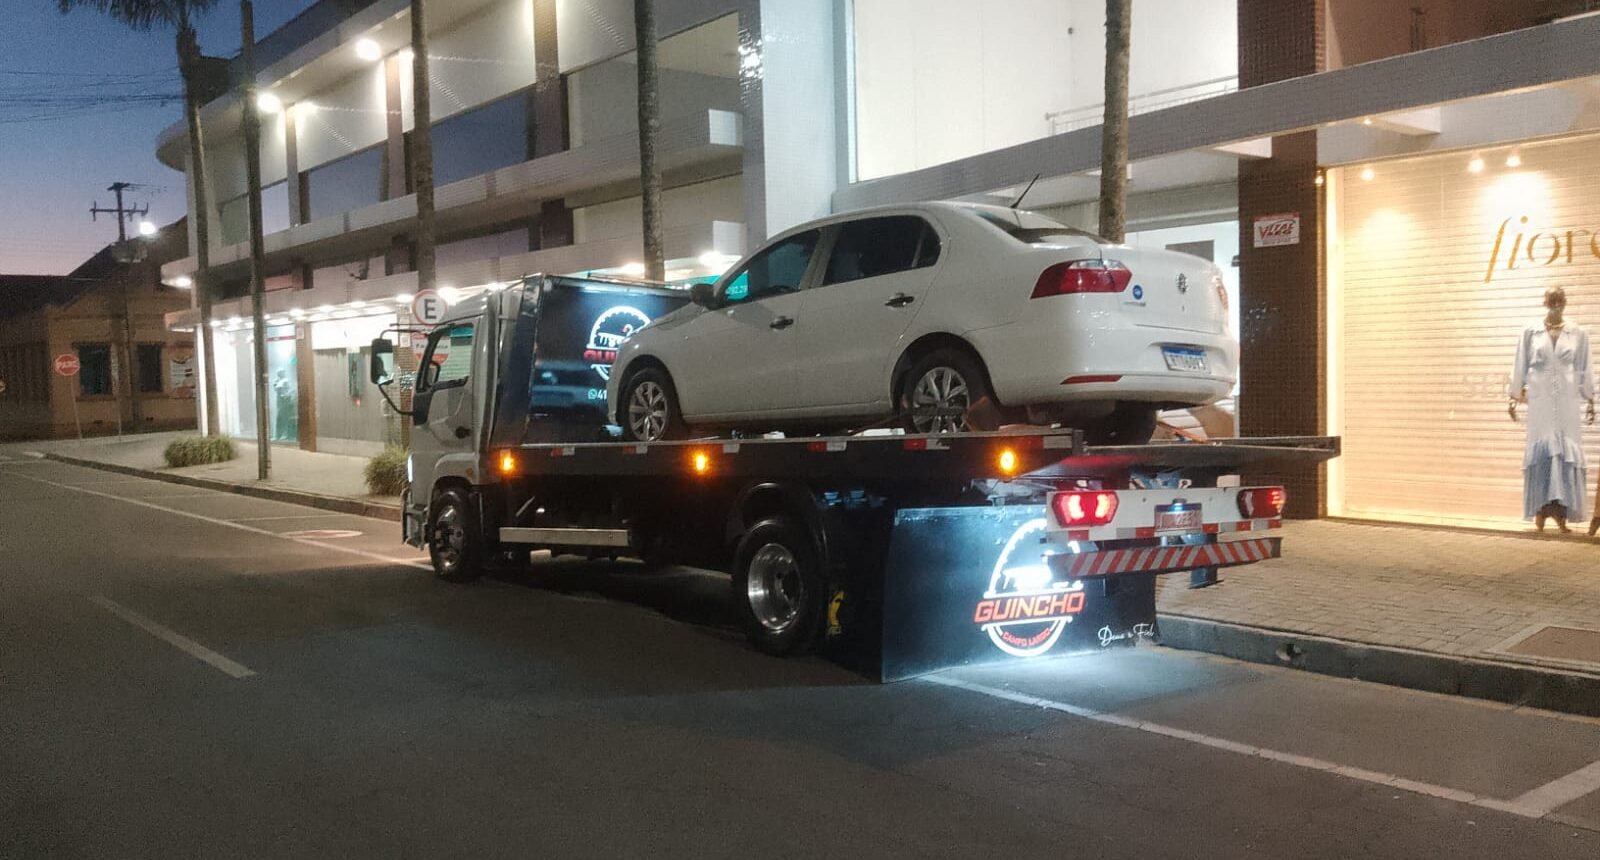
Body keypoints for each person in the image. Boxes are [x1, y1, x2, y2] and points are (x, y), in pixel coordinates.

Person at [1509, 287, 1595, 533]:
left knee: (1565, 449)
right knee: (1542, 448)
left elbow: (1584, 367)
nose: (1556, 303)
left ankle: (1560, 509)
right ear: (1544, 301)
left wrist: (1589, 398)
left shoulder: (1578, 333)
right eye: (1551, 299)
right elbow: (1520, 364)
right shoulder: (1530, 332)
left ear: (1566, 302)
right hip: (1540, 399)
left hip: (1567, 400)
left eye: (1560, 299)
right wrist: (1514, 395)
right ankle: (1540, 508)